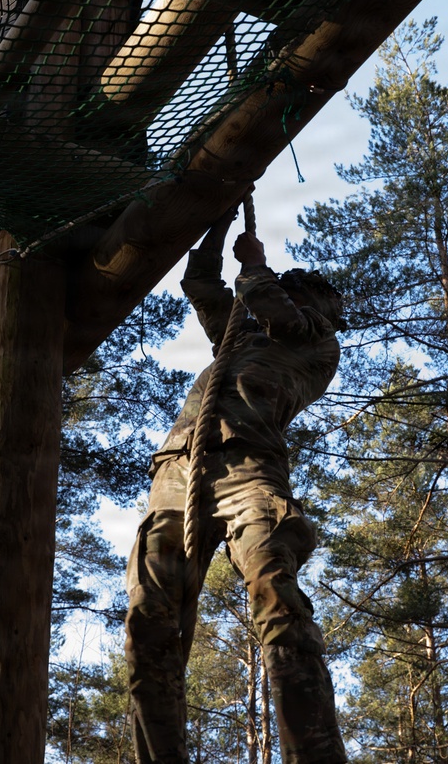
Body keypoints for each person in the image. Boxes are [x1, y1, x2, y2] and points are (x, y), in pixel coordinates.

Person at [124, 210, 348, 764]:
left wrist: (255, 265)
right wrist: (217, 224)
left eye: (303, 296)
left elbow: (277, 312)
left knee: (277, 601)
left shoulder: (314, 343)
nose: (293, 301)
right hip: (179, 474)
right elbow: (199, 284)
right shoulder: (240, 334)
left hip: (250, 474)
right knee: (149, 621)